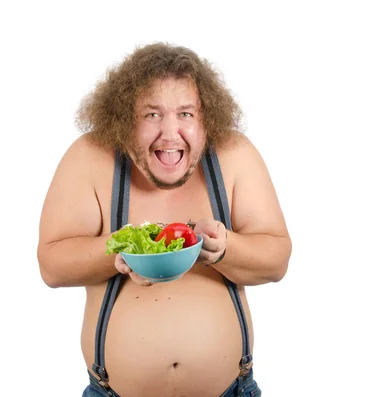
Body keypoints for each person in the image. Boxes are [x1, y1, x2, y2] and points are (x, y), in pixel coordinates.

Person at [37, 42, 292, 397]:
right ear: (125, 119)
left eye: (186, 114)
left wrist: (224, 248)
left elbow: (277, 260)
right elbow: (52, 266)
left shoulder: (235, 155)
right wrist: (120, 252)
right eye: (152, 114)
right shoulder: (89, 157)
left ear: (207, 119)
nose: (170, 134)